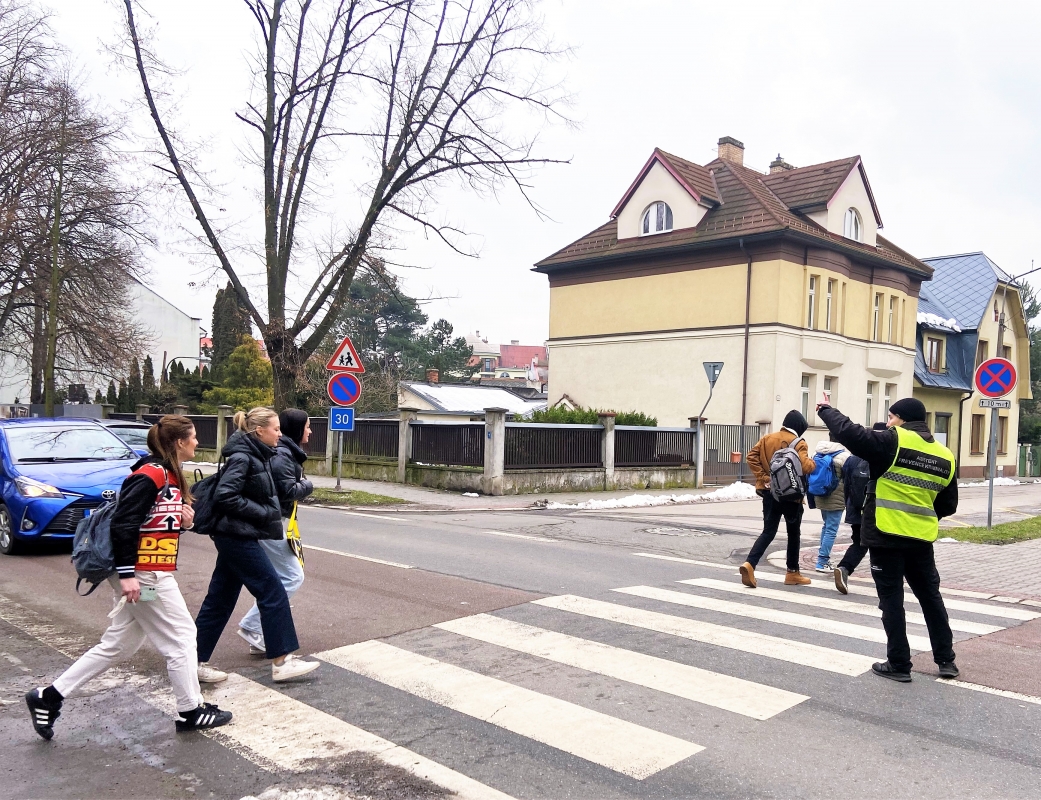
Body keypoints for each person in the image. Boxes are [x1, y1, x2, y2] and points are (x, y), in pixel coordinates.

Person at [26, 415, 233, 740]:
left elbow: (152, 523)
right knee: (182, 637)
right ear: (179, 442)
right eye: (193, 437)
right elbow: (123, 524)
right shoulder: (150, 475)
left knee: (120, 643)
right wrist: (126, 577)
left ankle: (48, 697)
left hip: (146, 575)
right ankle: (190, 710)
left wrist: (183, 521)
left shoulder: (169, 476)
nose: (197, 442)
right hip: (144, 576)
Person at [817, 397, 960, 682]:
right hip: (921, 539)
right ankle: (946, 661)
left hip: (885, 535)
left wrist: (827, 410)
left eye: (891, 417)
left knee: (892, 601)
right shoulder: (945, 455)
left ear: (901, 419)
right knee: (931, 598)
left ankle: (899, 663)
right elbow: (948, 505)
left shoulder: (894, 441)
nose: (889, 422)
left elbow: (850, 433)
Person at [194, 408, 319, 682]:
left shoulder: (258, 455)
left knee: (220, 599)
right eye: (275, 429)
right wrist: (263, 512)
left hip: (236, 533)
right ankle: (282, 661)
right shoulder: (243, 458)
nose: (279, 434)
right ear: (259, 431)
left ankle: (192, 662)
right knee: (272, 590)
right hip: (236, 534)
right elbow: (226, 496)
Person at [236, 408, 314, 654]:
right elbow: (285, 491)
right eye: (308, 426)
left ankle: (259, 632)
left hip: (272, 521)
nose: (310, 431)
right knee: (292, 576)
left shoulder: (285, 451)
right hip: (272, 522)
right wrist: (307, 485)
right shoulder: (283, 454)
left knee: (272, 578)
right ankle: (252, 626)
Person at [741, 410, 817, 588]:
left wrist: (765, 478)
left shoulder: (768, 438)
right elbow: (805, 466)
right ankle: (792, 573)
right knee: (793, 534)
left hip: (769, 493)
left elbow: (751, 457)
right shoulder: (798, 443)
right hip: (791, 495)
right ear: (798, 427)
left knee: (768, 531)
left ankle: (750, 564)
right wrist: (814, 463)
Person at [833, 423, 885, 594]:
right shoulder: (884, 456)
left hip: (856, 510)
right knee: (881, 546)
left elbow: (846, 485)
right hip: (876, 511)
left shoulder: (853, 458)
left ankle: (845, 568)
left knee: (860, 543)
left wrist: (852, 507)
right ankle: (884, 581)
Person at [807, 437, 848, 573]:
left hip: (820, 494)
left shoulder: (817, 453)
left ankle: (823, 558)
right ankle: (822, 561)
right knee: (831, 529)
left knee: (826, 526)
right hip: (836, 497)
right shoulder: (844, 456)